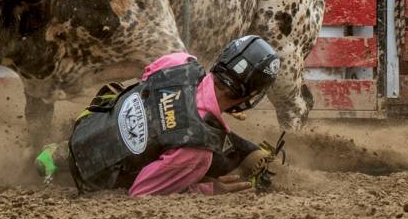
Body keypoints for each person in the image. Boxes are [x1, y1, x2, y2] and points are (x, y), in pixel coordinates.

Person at [34, 36, 283, 196]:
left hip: (85, 128)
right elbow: (141, 192)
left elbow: (146, 83)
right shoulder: (197, 151)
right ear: (249, 95)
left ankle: (59, 151)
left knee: (122, 95)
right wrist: (208, 188)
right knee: (198, 153)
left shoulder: (179, 61)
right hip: (91, 179)